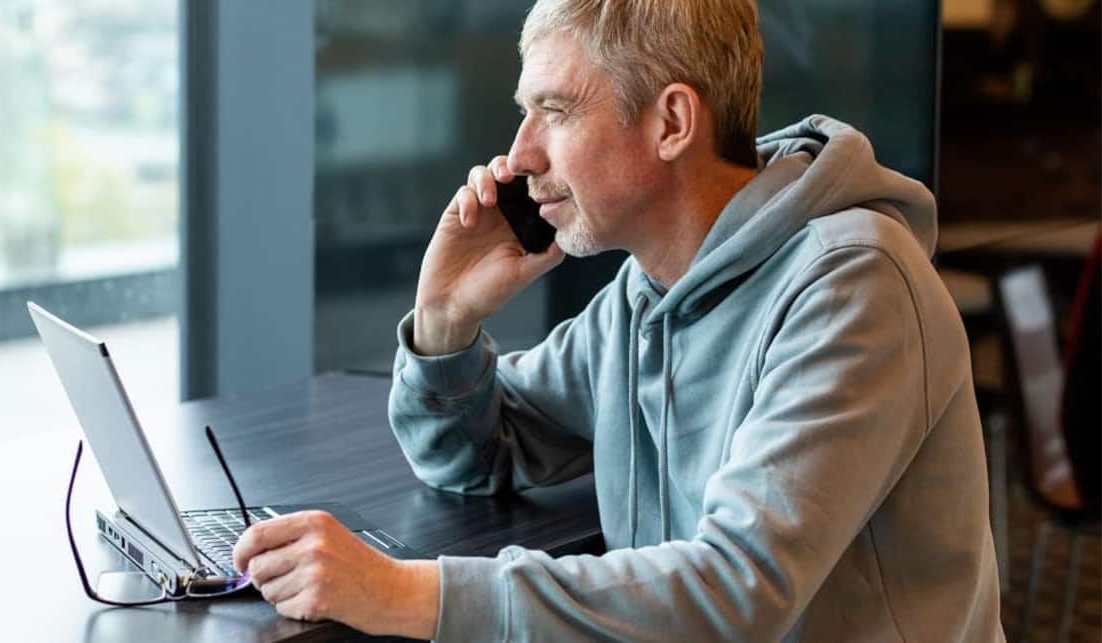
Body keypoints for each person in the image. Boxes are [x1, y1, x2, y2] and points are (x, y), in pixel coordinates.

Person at [233, 0, 1004, 640]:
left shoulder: (851, 284)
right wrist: (445, 319)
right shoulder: (644, 297)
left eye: (553, 111)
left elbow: (736, 593)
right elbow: (479, 455)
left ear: (671, 123)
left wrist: (402, 593)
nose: (517, 156)